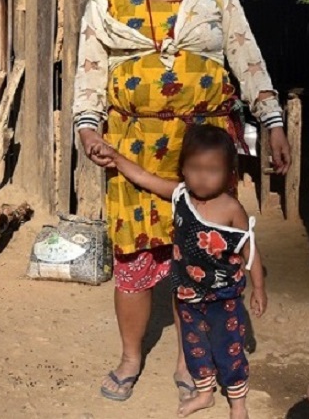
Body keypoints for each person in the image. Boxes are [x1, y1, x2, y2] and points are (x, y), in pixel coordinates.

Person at [72, 0, 290, 403]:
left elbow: (246, 55)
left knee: (198, 256)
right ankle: (130, 357)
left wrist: (272, 119)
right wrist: (87, 123)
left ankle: (188, 357)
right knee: (134, 258)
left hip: (204, 151)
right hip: (132, 148)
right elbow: (90, 62)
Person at [94, 124, 265, 419]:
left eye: (212, 169)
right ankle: (204, 394)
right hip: (187, 295)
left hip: (222, 298)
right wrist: (117, 159)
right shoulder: (180, 196)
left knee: (230, 351)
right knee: (195, 348)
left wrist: (259, 288)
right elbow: (146, 179)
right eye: (195, 167)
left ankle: (239, 406)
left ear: (228, 173)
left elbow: (250, 251)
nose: (202, 175)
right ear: (183, 168)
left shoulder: (231, 208)